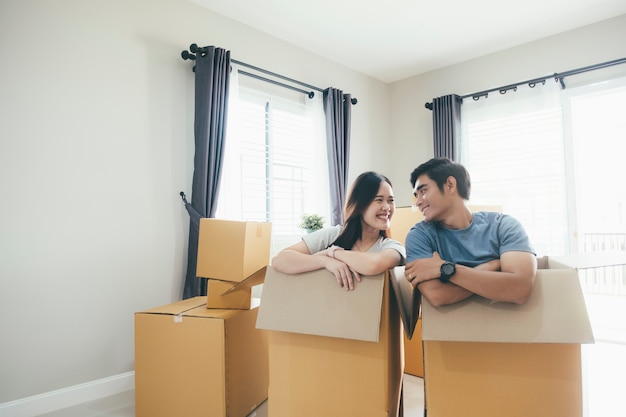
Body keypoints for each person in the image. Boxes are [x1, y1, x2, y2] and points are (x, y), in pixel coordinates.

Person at [404, 157, 537, 306]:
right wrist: (489, 267)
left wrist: (446, 270)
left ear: (450, 185)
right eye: (416, 195)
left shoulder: (504, 226)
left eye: (423, 191)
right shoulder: (419, 236)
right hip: (448, 328)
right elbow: (437, 295)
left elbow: (519, 290)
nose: (418, 202)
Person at [271, 171, 406, 290]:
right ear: (360, 204)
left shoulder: (392, 247)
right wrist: (325, 262)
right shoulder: (333, 235)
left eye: (391, 200)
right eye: (379, 200)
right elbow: (280, 259)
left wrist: (332, 253)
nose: (387, 207)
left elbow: (373, 265)